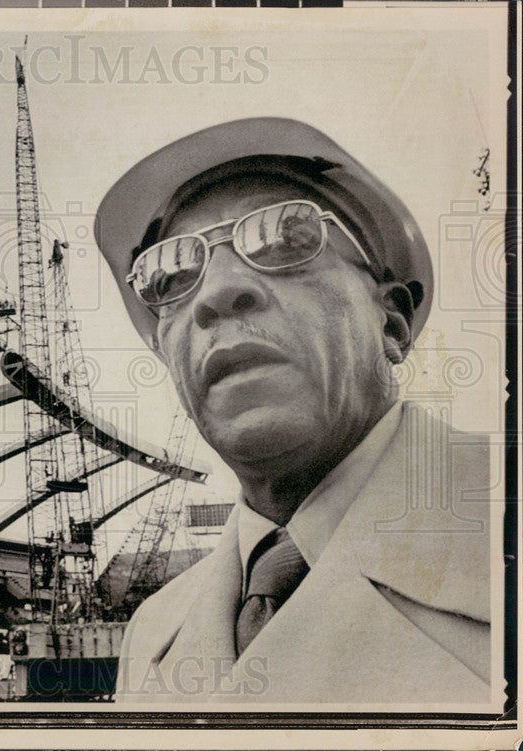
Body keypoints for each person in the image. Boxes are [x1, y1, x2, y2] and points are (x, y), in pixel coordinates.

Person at [95, 118, 494, 704]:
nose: (215, 295)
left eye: (285, 236)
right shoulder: (154, 632)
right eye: (170, 274)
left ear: (392, 321)